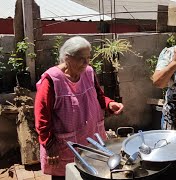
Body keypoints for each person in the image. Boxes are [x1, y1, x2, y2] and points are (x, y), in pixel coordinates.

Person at [34, 36, 124, 178]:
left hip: (91, 138)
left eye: (88, 58)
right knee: (67, 175)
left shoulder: (88, 72)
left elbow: (99, 96)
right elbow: (42, 118)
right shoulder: (52, 80)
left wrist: (109, 104)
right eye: (81, 58)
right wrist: (49, 146)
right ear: (67, 58)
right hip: (66, 145)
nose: (86, 62)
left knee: (92, 172)